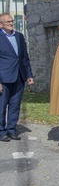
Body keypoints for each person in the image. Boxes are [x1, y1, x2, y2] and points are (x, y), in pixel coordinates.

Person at [0, 13, 33, 141]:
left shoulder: (19, 36)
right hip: (3, 77)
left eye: (12, 21)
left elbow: (24, 57)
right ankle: (1, 131)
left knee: (15, 105)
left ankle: (11, 130)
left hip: (19, 76)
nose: (11, 23)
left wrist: (29, 75)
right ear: (1, 24)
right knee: (1, 106)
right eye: (7, 22)